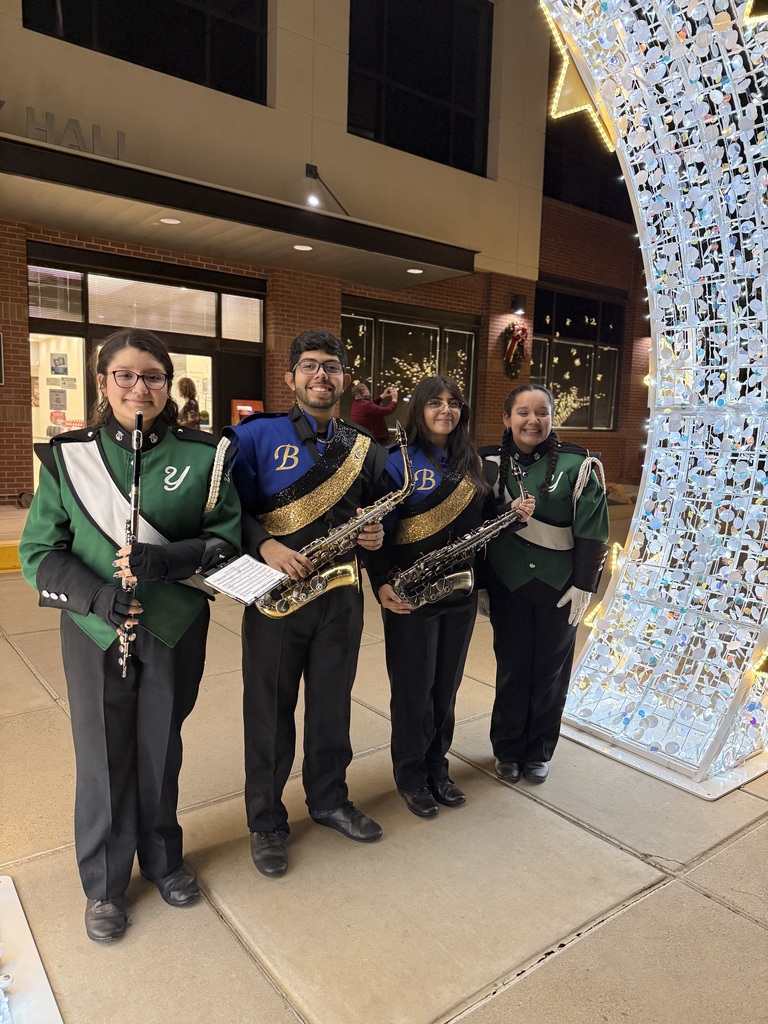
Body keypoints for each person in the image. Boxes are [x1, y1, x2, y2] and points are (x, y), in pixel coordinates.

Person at [19, 328, 241, 942]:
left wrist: (165, 562)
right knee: (102, 758)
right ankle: (105, 885)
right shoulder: (69, 457)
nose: (139, 387)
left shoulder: (204, 454)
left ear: (168, 386)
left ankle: (164, 858)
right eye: (125, 375)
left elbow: (225, 540)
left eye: (152, 377)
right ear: (103, 383)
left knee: (159, 748)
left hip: (171, 626)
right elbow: (40, 551)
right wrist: (96, 596)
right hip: (94, 630)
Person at [223, 329, 392, 878]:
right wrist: (265, 544)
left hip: (341, 596)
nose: (322, 375)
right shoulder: (255, 436)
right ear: (292, 376)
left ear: (345, 378)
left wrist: (374, 539)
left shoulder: (364, 447)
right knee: (269, 714)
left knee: (331, 708)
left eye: (333, 367)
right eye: (311, 366)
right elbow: (225, 513)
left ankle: (328, 800)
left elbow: (372, 515)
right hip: (275, 598)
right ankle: (266, 822)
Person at [369, 377, 535, 818]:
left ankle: (437, 769)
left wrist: (513, 516)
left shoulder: (474, 464)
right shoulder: (394, 461)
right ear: (419, 409)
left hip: (458, 591)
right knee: (412, 692)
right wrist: (381, 580)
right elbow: (378, 533)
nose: (446, 410)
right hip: (409, 594)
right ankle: (411, 776)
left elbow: (484, 520)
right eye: (436, 403)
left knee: (446, 689)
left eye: (454, 403)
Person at [480, 383, 609, 785]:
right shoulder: (486, 462)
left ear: (553, 418)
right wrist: (482, 583)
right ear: (507, 418)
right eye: (522, 412)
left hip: (560, 587)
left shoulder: (579, 465)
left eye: (541, 413)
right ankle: (506, 747)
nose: (532, 421)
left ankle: (538, 751)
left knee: (550, 671)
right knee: (512, 668)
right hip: (508, 583)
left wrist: (584, 585)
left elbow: (593, 531)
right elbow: (479, 528)